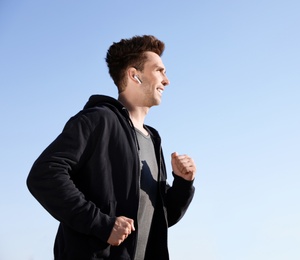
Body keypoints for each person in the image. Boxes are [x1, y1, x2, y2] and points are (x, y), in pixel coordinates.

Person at [27, 35, 196, 260]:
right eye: (159, 71)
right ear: (134, 75)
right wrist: (101, 224)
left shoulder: (153, 139)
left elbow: (162, 217)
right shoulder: (98, 120)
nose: (167, 80)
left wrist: (184, 183)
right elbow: (44, 175)